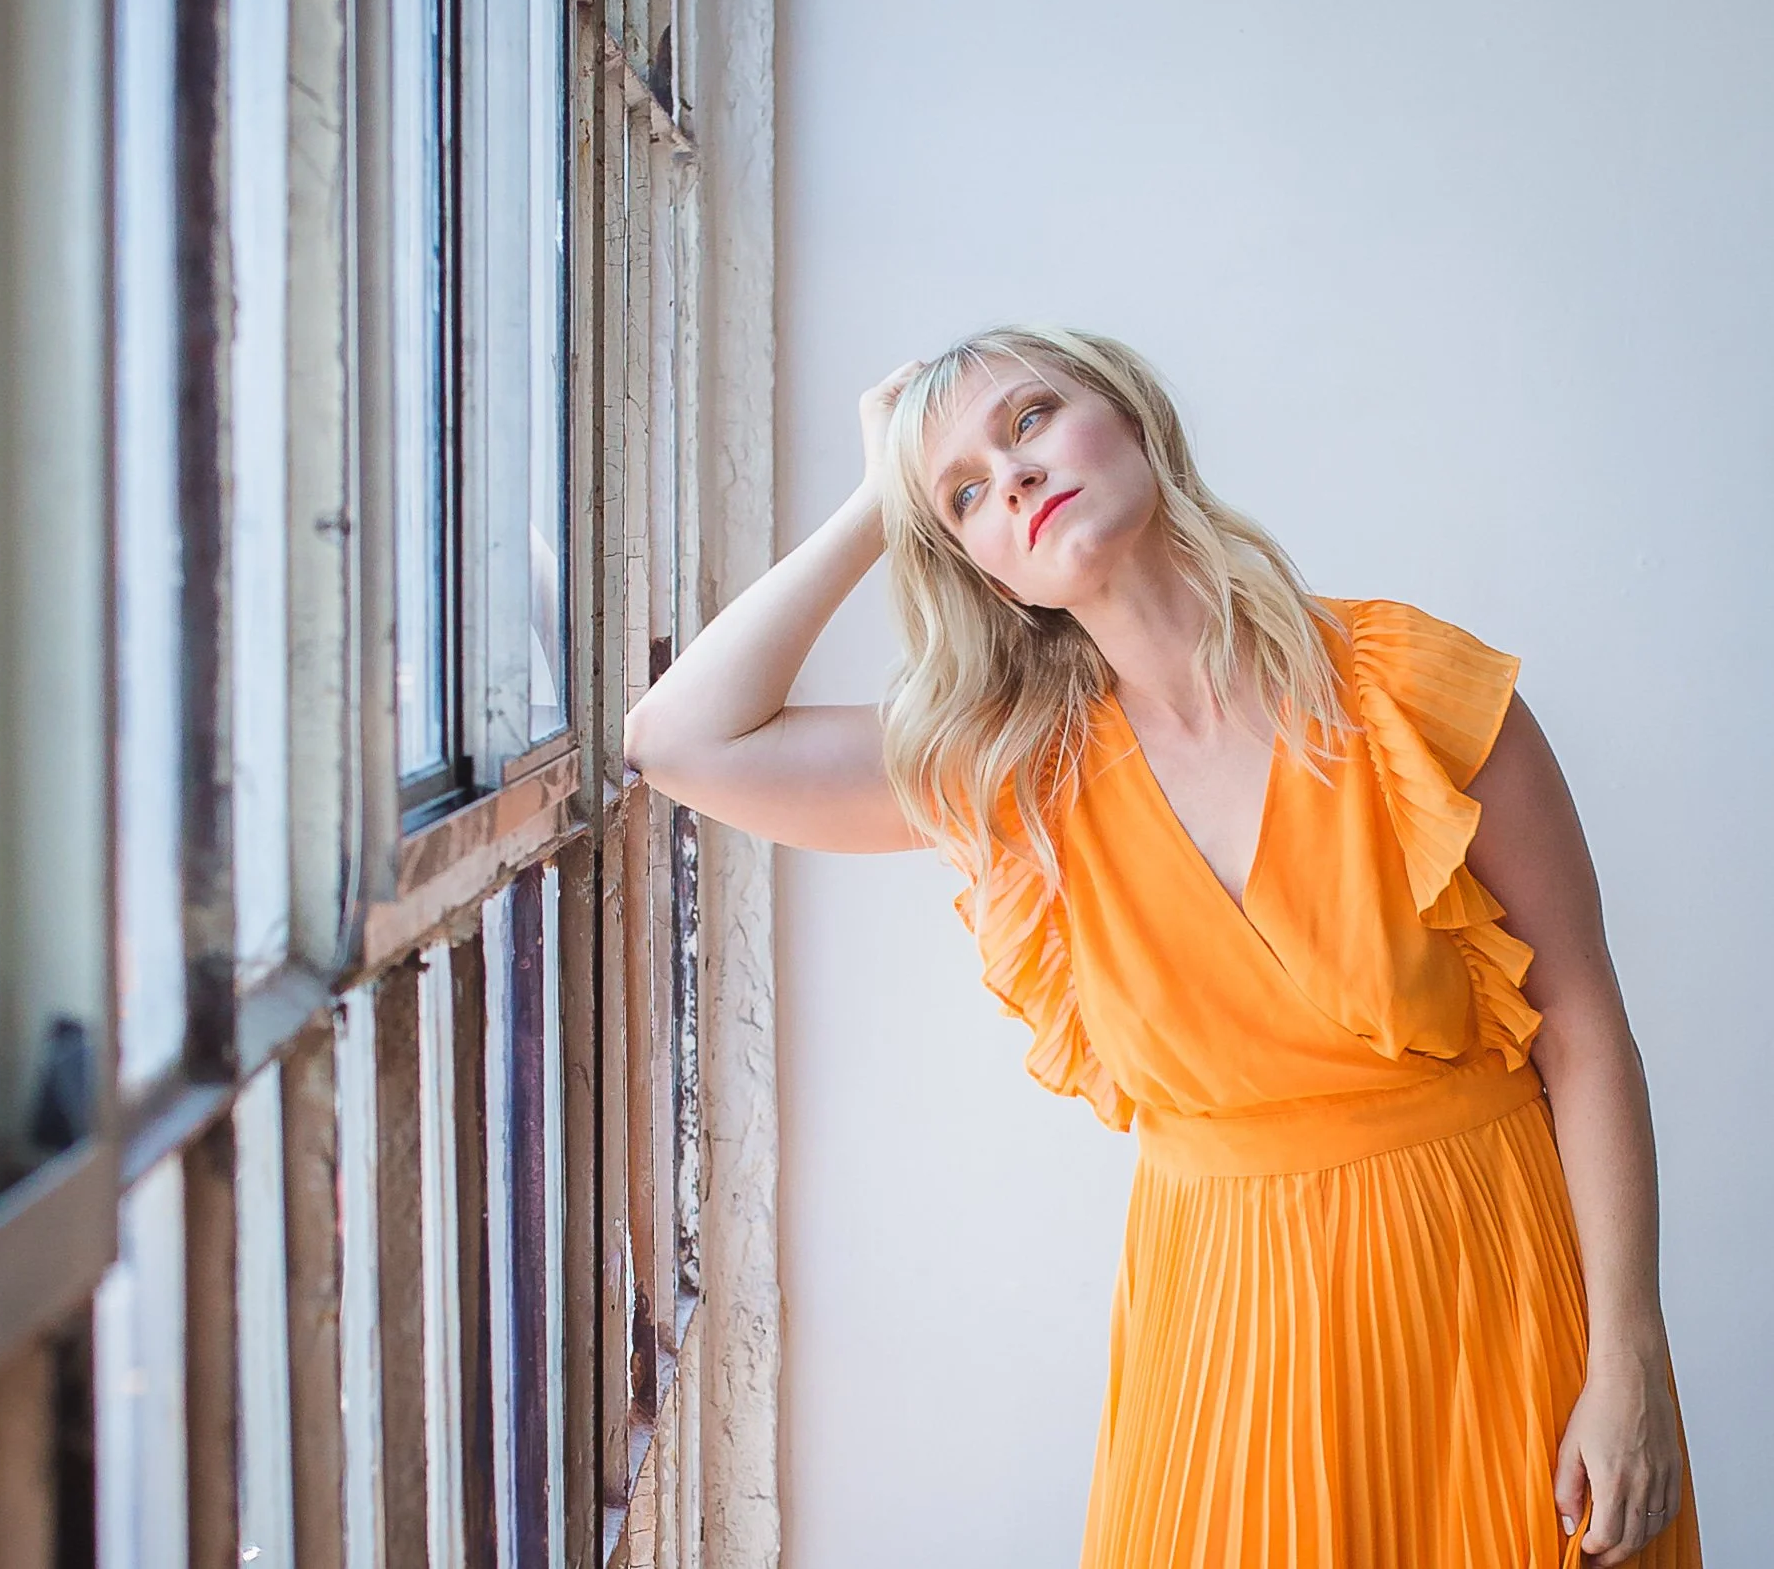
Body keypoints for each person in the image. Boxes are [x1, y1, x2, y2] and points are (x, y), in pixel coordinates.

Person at [622, 325, 1701, 1566]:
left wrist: (1628, 1351)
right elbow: (679, 742)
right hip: (1223, 1340)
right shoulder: (1019, 776)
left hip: (1492, 1293)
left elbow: (1583, 1025)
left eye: (1029, 419)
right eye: (964, 494)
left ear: (1134, 419)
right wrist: (880, 498)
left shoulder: (1405, 686)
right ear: (986, 575)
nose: (1012, 476)